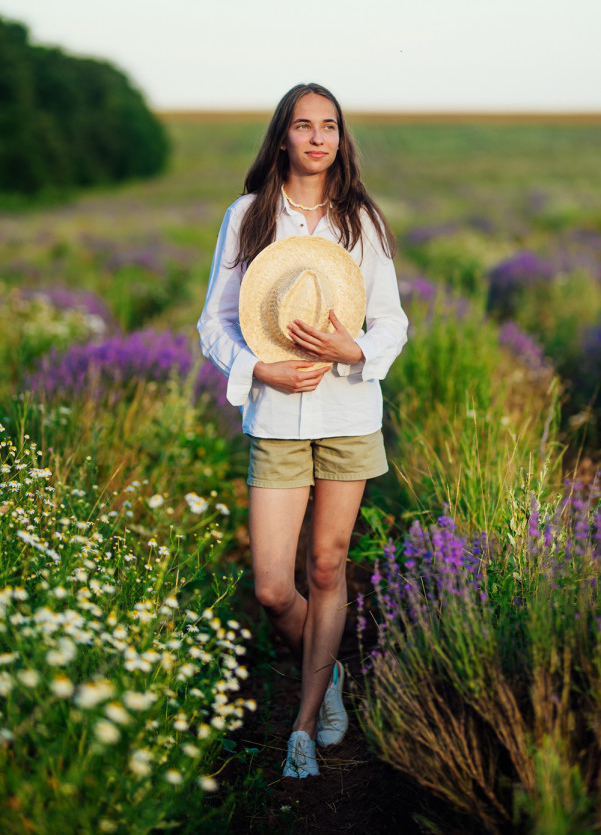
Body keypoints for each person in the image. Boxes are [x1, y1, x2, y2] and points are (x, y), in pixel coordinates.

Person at [197, 83, 408, 778]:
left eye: (330, 127)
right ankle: (331, 676)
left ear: (341, 139)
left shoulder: (362, 222)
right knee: (270, 586)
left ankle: (304, 724)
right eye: (303, 126)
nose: (318, 138)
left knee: (327, 566)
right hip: (278, 417)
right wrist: (263, 369)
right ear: (282, 137)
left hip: (348, 413)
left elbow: (390, 321)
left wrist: (358, 353)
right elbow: (215, 322)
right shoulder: (249, 215)